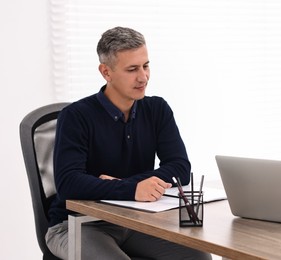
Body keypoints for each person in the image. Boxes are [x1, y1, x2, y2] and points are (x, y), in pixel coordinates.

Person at [45, 26, 211, 259]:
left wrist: (127, 185)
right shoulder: (76, 116)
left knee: (198, 256)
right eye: (132, 69)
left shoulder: (157, 109)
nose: (143, 77)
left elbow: (180, 168)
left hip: (134, 222)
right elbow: (69, 184)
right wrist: (133, 189)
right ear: (106, 72)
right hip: (77, 225)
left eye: (145, 65)